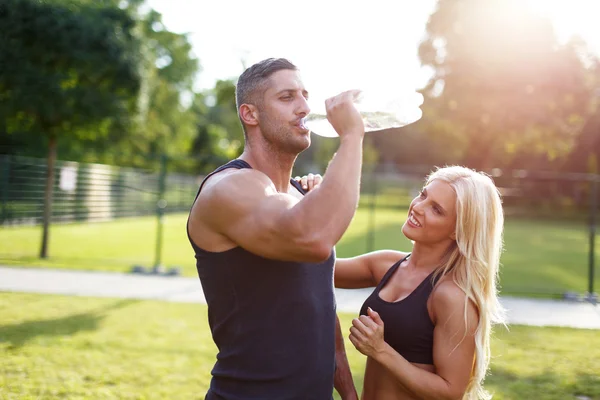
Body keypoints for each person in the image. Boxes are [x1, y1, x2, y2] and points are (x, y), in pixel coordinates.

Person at [186, 57, 365, 400]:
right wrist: (353, 137)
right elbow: (314, 239)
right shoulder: (228, 188)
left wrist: (348, 393)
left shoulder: (298, 196)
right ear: (250, 114)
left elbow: (319, 308)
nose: (304, 108)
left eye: (305, 95)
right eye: (287, 98)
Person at [298, 165, 506, 400]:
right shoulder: (386, 265)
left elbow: (450, 392)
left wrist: (381, 350)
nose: (418, 207)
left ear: (458, 230)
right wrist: (307, 203)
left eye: (436, 209)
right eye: (423, 194)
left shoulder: (451, 295)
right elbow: (312, 264)